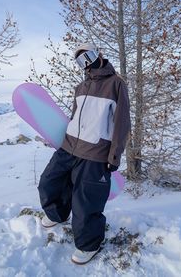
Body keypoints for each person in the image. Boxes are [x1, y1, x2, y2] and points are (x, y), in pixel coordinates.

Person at [38, 43, 131, 265]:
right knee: (48, 181)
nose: (86, 63)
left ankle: (89, 244)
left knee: (85, 202)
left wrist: (114, 156)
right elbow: (75, 117)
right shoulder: (80, 87)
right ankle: (57, 213)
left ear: (98, 54)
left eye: (88, 56)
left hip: (95, 153)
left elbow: (122, 123)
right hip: (69, 147)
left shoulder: (116, 84)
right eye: (81, 60)